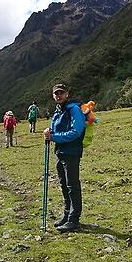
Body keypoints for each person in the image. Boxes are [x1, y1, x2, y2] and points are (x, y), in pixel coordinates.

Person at [43, 83, 85, 233]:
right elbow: (56, 128)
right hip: (60, 152)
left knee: (72, 185)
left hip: (71, 152)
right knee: (64, 185)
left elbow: (76, 131)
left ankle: (74, 219)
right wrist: (50, 131)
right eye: (56, 93)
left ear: (67, 93)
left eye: (61, 92)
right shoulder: (58, 111)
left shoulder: (73, 109)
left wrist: (54, 137)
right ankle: (67, 215)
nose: (58, 95)